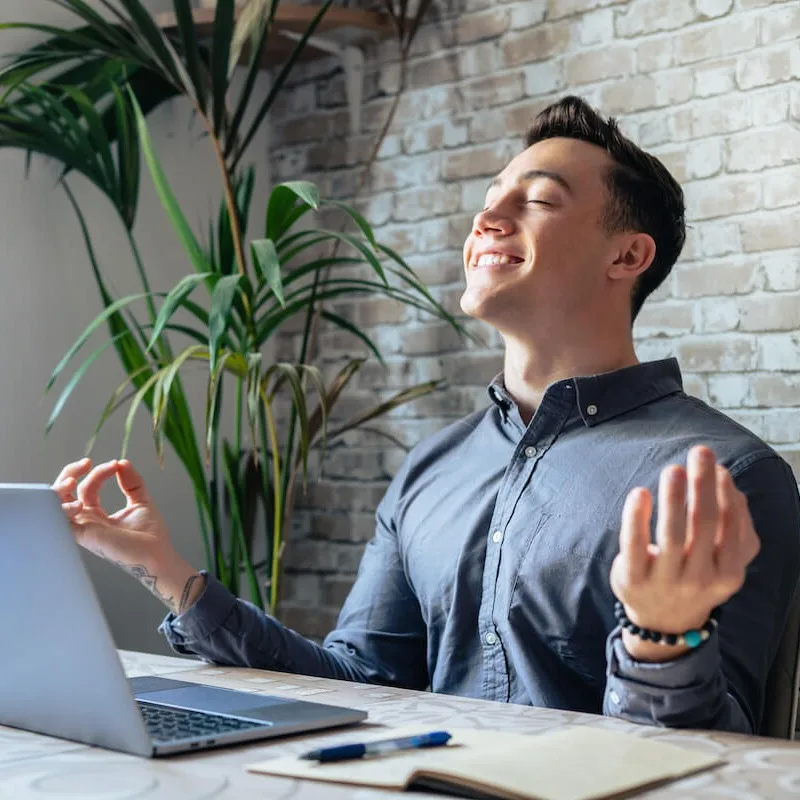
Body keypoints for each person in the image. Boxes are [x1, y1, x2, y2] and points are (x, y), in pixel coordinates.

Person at [54, 96, 800, 735]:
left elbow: (722, 768)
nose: (487, 215)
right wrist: (169, 575)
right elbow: (359, 681)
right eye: (492, 195)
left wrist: (664, 637)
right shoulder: (433, 467)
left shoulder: (724, 478)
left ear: (628, 256)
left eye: (535, 200)